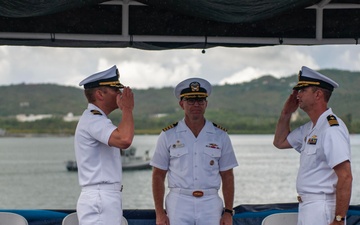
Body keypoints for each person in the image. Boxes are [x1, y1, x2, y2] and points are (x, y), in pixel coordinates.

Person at [150, 77, 238, 225]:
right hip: (179, 202)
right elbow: (158, 175)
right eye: (190, 101)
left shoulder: (220, 135)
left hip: (210, 203)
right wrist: (159, 212)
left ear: (206, 104)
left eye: (200, 100)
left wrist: (228, 212)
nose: (196, 104)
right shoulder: (168, 135)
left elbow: (227, 176)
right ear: (181, 104)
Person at [273, 66, 352, 225]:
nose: (297, 95)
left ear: (318, 94)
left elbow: (345, 176)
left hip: (322, 208)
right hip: (308, 207)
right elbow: (279, 142)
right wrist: (286, 113)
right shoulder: (311, 127)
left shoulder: (331, 129)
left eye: (303, 90)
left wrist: (338, 219)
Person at [74, 65, 134, 225]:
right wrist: (127, 109)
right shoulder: (93, 119)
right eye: (115, 90)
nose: (120, 94)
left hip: (104, 195)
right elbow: (124, 140)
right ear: (100, 94)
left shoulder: (97, 119)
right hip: (100, 196)